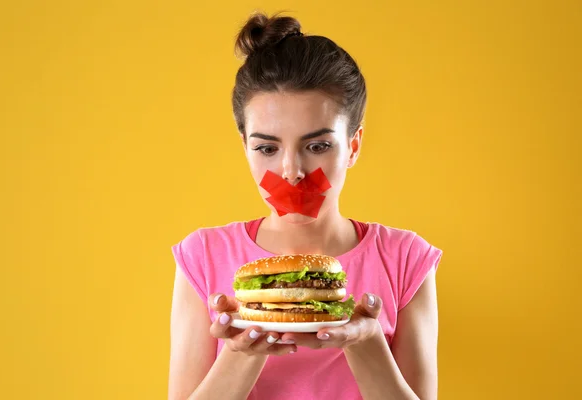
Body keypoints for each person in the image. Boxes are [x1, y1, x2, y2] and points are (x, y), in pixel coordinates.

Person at [168, 12, 443, 400]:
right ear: (244, 147)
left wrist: (365, 343)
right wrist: (240, 351)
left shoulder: (405, 258)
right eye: (266, 148)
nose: (292, 172)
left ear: (353, 147)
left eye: (317, 146)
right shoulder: (203, 255)